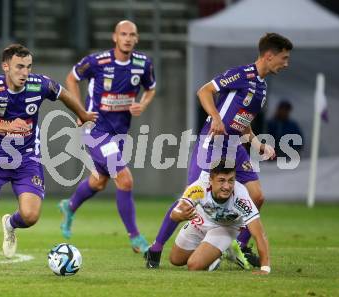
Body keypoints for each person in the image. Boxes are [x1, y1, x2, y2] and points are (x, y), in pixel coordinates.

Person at [146, 32, 292, 268]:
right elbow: (204, 91)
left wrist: (256, 143)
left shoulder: (262, 87)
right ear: (268, 55)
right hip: (212, 143)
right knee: (189, 198)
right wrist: (214, 117)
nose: (286, 64)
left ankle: (239, 247)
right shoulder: (242, 74)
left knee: (257, 196)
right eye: (284, 58)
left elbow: (242, 121)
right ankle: (156, 247)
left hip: (235, 146)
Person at [0, 44, 97, 273]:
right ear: (6, 66)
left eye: (28, 67)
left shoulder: (39, 84)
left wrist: (83, 115)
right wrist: (8, 127)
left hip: (27, 158)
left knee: (30, 216)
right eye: (20, 67)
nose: (25, 72)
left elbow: (63, 94)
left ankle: (10, 224)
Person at [58, 20, 156, 253]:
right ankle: (135, 237)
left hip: (119, 132)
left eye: (132, 34)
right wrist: (80, 111)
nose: (128, 38)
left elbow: (150, 88)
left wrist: (142, 104)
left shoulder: (143, 63)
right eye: (123, 34)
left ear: (137, 38)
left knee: (99, 182)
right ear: (115, 37)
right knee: (125, 179)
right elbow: (71, 77)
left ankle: (69, 207)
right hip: (96, 130)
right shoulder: (97, 61)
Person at [169, 158, 270, 274]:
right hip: (201, 221)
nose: (227, 186)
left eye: (231, 180)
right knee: (176, 260)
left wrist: (265, 268)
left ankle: (224, 250)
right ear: (210, 180)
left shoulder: (241, 197)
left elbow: (259, 234)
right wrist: (180, 215)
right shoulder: (199, 187)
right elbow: (175, 213)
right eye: (221, 180)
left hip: (225, 228)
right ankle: (219, 251)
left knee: (194, 265)